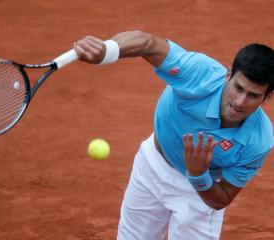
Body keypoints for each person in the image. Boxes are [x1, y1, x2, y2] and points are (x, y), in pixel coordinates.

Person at [73, 31, 274, 240]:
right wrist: (108, 50)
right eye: (238, 88)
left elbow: (221, 199)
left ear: (268, 97)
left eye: (253, 95)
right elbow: (147, 43)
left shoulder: (260, 141)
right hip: (152, 166)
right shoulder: (199, 74)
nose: (240, 102)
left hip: (201, 192)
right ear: (228, 75)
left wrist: (198, 175)